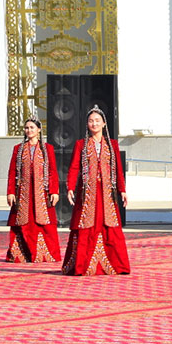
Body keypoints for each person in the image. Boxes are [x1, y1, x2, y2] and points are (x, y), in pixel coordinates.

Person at [62, 105, 130, 276]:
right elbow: (74, 167)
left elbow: (118, 169)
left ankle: (116, 265)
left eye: (97, 121)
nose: (94, 124)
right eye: (91, 121)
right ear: (87, 124)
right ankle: (82, 265)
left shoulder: (112, 145)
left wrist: (122, 190)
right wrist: (70, 187)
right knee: (85, 224)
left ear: (104, 123)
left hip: (107, 193)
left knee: (110, 225)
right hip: (87, 193)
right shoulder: (81, 144)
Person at [5, 117, 61, 263]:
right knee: (21, 222)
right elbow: (12, 171)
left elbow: (52, 171)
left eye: (32, 128)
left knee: (44, 222)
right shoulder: (18, 149)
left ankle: (44, 254)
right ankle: (21, 254)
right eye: (26, 128)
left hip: (42, 192)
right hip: (23, 192)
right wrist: (10, 192)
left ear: (39, 130)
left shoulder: (47, 148)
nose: (29, 130)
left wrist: (54, 191)